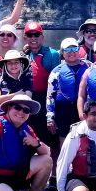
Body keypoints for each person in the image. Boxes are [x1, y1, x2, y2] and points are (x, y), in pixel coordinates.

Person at [47, 38, 90, 159]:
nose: (71, 52)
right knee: (64, 145)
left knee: (85, 144)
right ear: (62, 52)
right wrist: (50, 117)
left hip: (84, 111)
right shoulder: (56, 71)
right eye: (67, 49)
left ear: (79, 50)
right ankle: (65, 173)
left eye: (74, 48)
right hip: (63, 112)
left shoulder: (89, 66)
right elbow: (50, 95)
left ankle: (83, 173)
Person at [21, 21, 61, 152]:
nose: (33, 38)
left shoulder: (52, 54)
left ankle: (51, 165)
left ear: (42, 36)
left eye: (36, 35)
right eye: (29, 35)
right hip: (28, 99)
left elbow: (56, 82)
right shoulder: (22, 55)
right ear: (25, 37)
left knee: (49, 134)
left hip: (46, 98)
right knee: (28, 134)